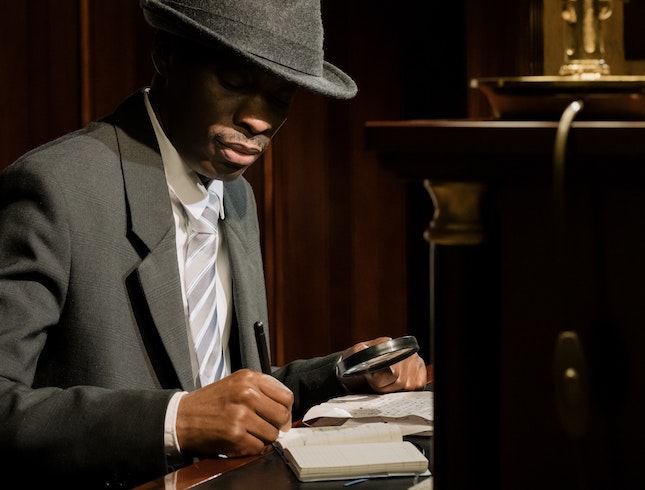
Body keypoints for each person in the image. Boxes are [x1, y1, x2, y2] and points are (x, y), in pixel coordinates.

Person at [0, 0, 428, 487]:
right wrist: (175, 421)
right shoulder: (56, 188)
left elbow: (220, 393)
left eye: (281, 97)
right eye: (234, 82)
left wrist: (342, 373)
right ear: (166, 55)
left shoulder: (235, 195)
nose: (259, 120)